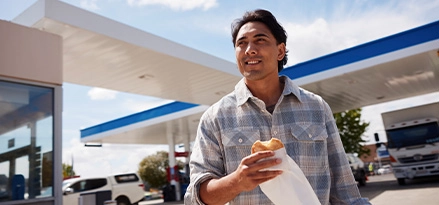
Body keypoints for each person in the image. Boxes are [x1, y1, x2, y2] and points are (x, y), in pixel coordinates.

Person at [184, 9, 370, 205]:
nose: (250, 49)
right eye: (242, 43)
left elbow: (345, 192)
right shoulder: (215, 117)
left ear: (280, 51)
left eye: (260, 39)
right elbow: (196, 197)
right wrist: (237, 181)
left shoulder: (317, 108)